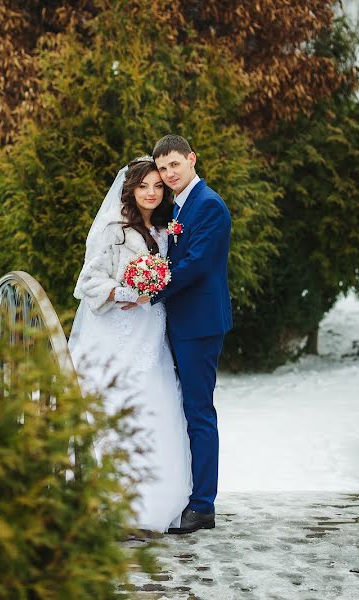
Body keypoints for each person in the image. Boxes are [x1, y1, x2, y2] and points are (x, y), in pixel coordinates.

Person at [68, 156, 192, 533]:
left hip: (151, 334)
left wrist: (151, 291)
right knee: (113, 406)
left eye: (158, 186)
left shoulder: (166, 231)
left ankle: (152, 503)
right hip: (116, 332)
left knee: (155, 406)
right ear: (130, 189)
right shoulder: (112, 229)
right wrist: (126, 290)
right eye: (144, 186)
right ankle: (106, 499)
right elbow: (88, 282)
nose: (152, 193)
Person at [146, 134, 232, 534]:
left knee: (199, 413)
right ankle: (186, 495)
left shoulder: (209, 206)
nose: (168, 174)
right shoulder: (178, 205)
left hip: (199, 325)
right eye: (163, 168)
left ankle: (202, 507)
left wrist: (150, 290)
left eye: (174, 165)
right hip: (179, 322)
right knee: (182, 409)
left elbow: (196, 265)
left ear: (192, 159)